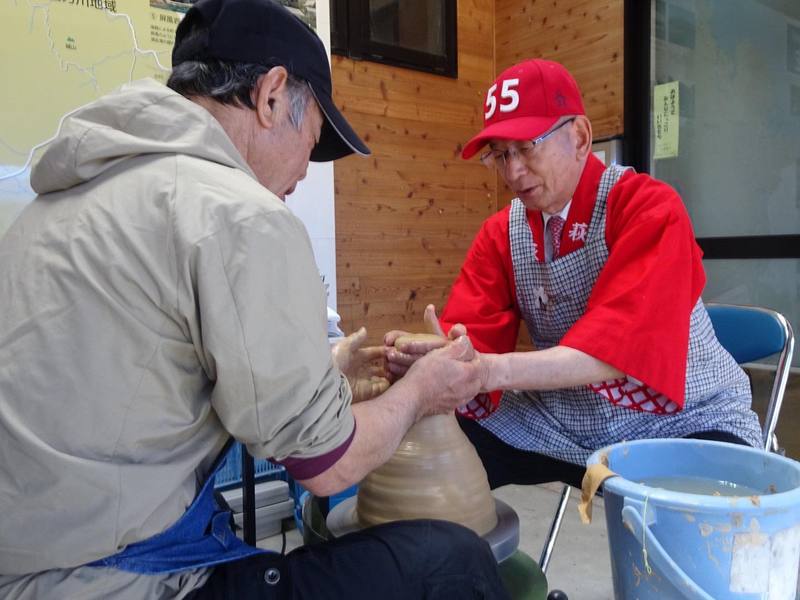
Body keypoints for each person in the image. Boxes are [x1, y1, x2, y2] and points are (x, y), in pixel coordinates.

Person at [0, 1, 511, 599]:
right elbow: (329, 466)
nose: (304, 174)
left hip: (29, 556)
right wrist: (422, 392)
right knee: (454, 561)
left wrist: (323, 376)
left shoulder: (57, 203)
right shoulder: (239, 214)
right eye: (312, 141)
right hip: (101, 582)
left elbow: (135, 389)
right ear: (270, 97)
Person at [386, 59, 763, 491]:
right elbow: (472, 344)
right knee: (435, 447)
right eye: (501, 155)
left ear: (580, 137)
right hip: (564, 424)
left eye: (526, 147)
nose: (512, 172)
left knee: (711, 509)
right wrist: (437, 359)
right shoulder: (501, 234)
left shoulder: (647, 207)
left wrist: (489, 370)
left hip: (684, 419)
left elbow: (616, 348)